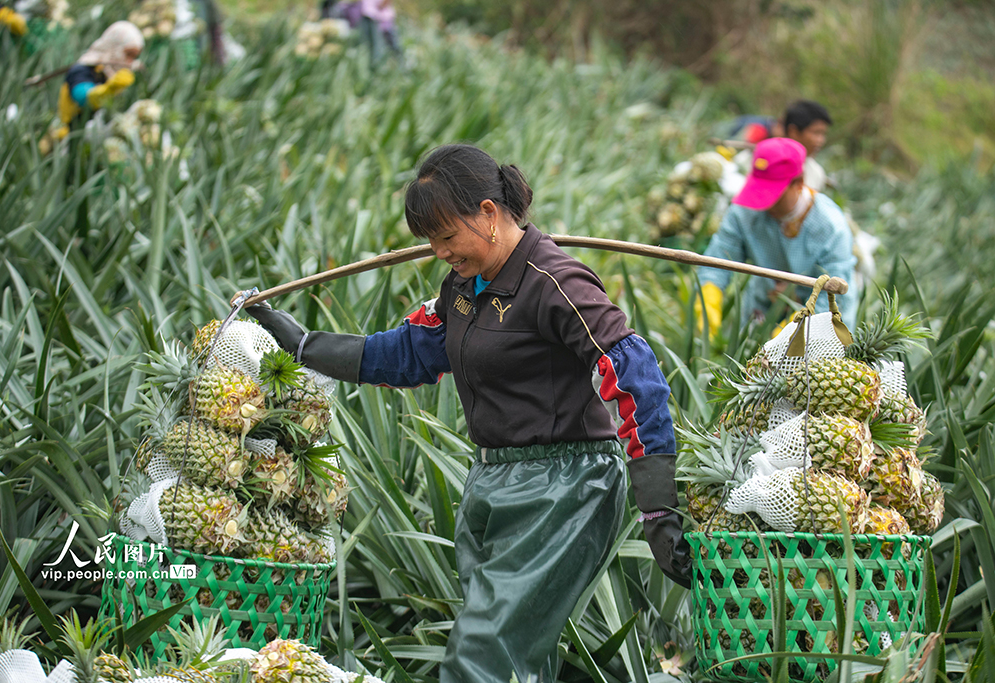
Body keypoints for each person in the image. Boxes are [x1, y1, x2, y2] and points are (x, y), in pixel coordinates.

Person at [241, 144, 690, 683]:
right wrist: (302, 341)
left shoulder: (556, 284)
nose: (439, 252)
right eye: (430, 242)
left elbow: (633, 374)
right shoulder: (462, 289)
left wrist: (658, 509)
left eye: (447, 236)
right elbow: (409, 352)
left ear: (488, 212)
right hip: (492, 483)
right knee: (515, 656)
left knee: (484, 653)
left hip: (564, 489)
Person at [696, 137, 858, 336]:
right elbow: (719, 258)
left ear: (798, 183)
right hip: (758, 313)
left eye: (774, 194)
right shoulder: (746, 210)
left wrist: (792, 331)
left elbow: (834, 301)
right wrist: (708, 296)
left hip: (814, 328)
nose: (765, 203)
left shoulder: (830, 227)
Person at [48, 21, 145, 144]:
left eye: (134, 57)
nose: (130, 61)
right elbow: (82, 97)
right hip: (70, 137)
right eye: (128, 54)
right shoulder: (83, 69)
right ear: (113, 46)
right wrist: (109, 90)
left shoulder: (111, 74)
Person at [782, 99, 831, 192]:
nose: (821, 140)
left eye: (823, 134)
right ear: (793, 131)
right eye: (816, 133)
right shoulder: (758, 162)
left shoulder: (816, 173)